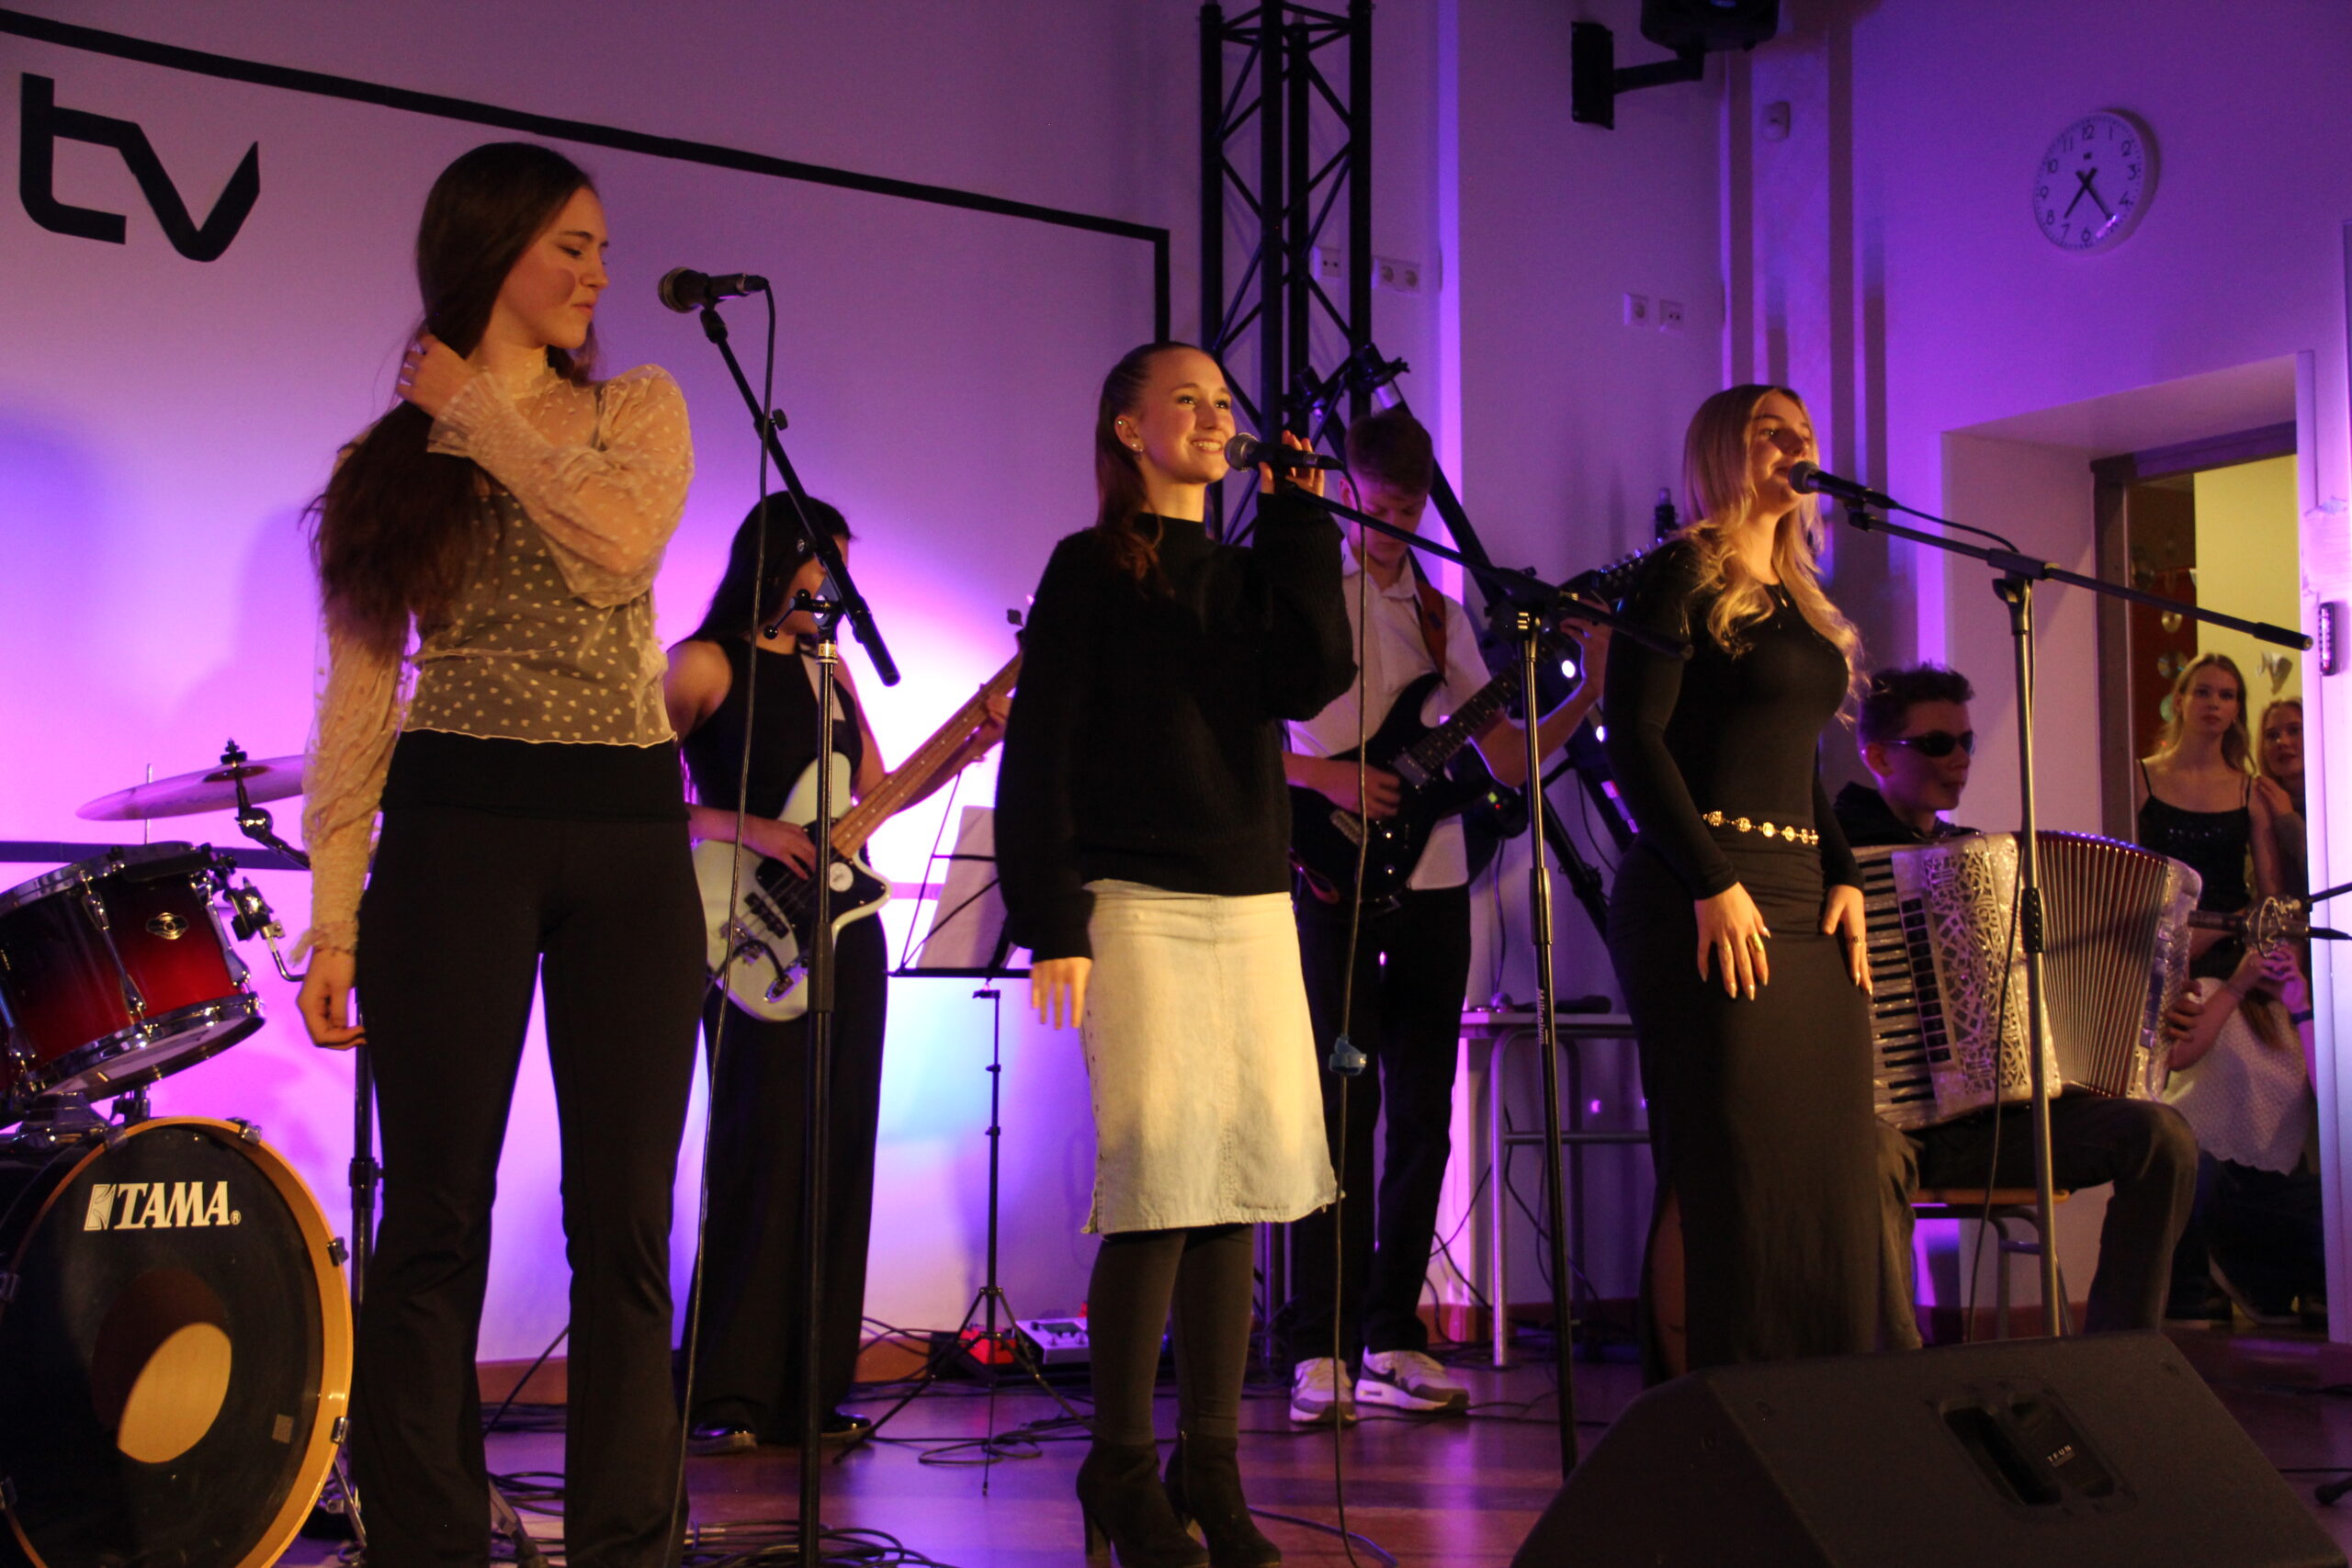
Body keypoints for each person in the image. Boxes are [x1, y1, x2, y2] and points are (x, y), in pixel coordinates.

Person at [295, 143, 702, 1567]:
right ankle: (426, 1542)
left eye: (600, 248)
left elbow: (617, 550)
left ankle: (630, 1544)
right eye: (567, 246)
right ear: (488, 250)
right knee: (433, 1216)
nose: (596, 271)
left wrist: (475, 409)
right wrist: (333, 918)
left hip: (630, 830)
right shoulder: (383, 468)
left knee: (625, 1223)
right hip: (456, 825)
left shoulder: (635, 410)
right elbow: (359, 701)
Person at [996, 341, 1353, 1567]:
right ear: (1128, 428)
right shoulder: (1088, 566)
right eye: (1186, 399)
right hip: (1136, 899)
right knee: (1160, 1181)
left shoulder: (1249, 573)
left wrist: (1300, 516)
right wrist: (1053, 919)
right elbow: (1041, 746)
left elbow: (1315, 671)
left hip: (1248, 899)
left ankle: (1213, 1465)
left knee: (1239, 1182)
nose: (1213, 415)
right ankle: (1119, 1465)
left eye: (1222, 401)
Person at [1275, 406, 1607, 1425]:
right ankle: (1317, 1344)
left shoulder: (1441, 612)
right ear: (1346, 491)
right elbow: (1228, 734)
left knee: (1422, 1114)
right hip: (1330, 877)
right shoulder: (1299, 592)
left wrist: (1587, 690)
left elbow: (1500, 755)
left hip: (1431, 883)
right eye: (1380, 506)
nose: (1395, 525)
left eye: (1411, 508)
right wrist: (1322, 775)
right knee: (1339, 1105)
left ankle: (1392, 1334)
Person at [665, 496, 1008, 1453]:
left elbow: (878, 794)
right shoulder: (704, 664)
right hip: (741, 929)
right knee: (759, 1147)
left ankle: (810, 1391)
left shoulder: (834, 674)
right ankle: (727, 1392)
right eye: (828, 567)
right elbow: (634, 794)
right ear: (779, 561)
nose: (839, 589)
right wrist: (746, 827)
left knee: (837, 1149)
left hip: (842, 932)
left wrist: (974, 738)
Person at [1602, 384, 1876, 1381]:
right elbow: (1632, 742)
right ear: (1724, 448)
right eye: (1771, 430)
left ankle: (1814, 1396)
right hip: (1700, 889)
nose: (1795, 443)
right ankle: (1701, 1400)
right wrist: (1711, 880)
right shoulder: (1679, 571)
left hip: (1800, 897)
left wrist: (1843, 871)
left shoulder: (1799, 597)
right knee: (1722, 1161)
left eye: (1804, 431)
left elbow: (1799, 762)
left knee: (1817, 1161)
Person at [1833, 663, 2198, 1342]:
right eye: (1937, 744)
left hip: (1997, 1128)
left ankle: (2120, 1357)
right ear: (1878, 757)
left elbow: (2048, 1011)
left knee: (2161, 1136)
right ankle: (1897, 1377)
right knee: (1868, 1156)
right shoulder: (1835, 859)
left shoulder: (1980, 859)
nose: (1960, 759)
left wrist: (2153, 1014)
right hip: (1894, 1125)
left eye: (1966, 741)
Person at [2165, 941, 2326, 1326]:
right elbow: (2178, 1057)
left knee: (2331, 1206)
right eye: (2271, 941)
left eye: (2289, 943)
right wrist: (2238, 985)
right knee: (2192, 1170)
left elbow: (2333, 1099)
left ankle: (2264, 1284)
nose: (2278, 953)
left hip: (2272, 1180)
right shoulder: (2211, 991)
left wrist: (2301, 1008)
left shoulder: (2299, 1015)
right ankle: (2187, 1300)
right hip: (2210, 1170)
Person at [2134, 651, 2284, 978]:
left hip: (2226, 949)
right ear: (2179, 701)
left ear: (2236, 711)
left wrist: (2216, 930)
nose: (2214, 703)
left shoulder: (2250, 791)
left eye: (2226, 696)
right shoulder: (2140, 779)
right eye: (2202, 692)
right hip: (2148, 946)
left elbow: (2270, 898)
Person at [2255, 696, 2307, 898]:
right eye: (2272, 735)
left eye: (2294, 730)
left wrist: (2289, 822)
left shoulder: (2340, 800)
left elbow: (2333, 883)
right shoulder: (2262, 802)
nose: (2282, 742)